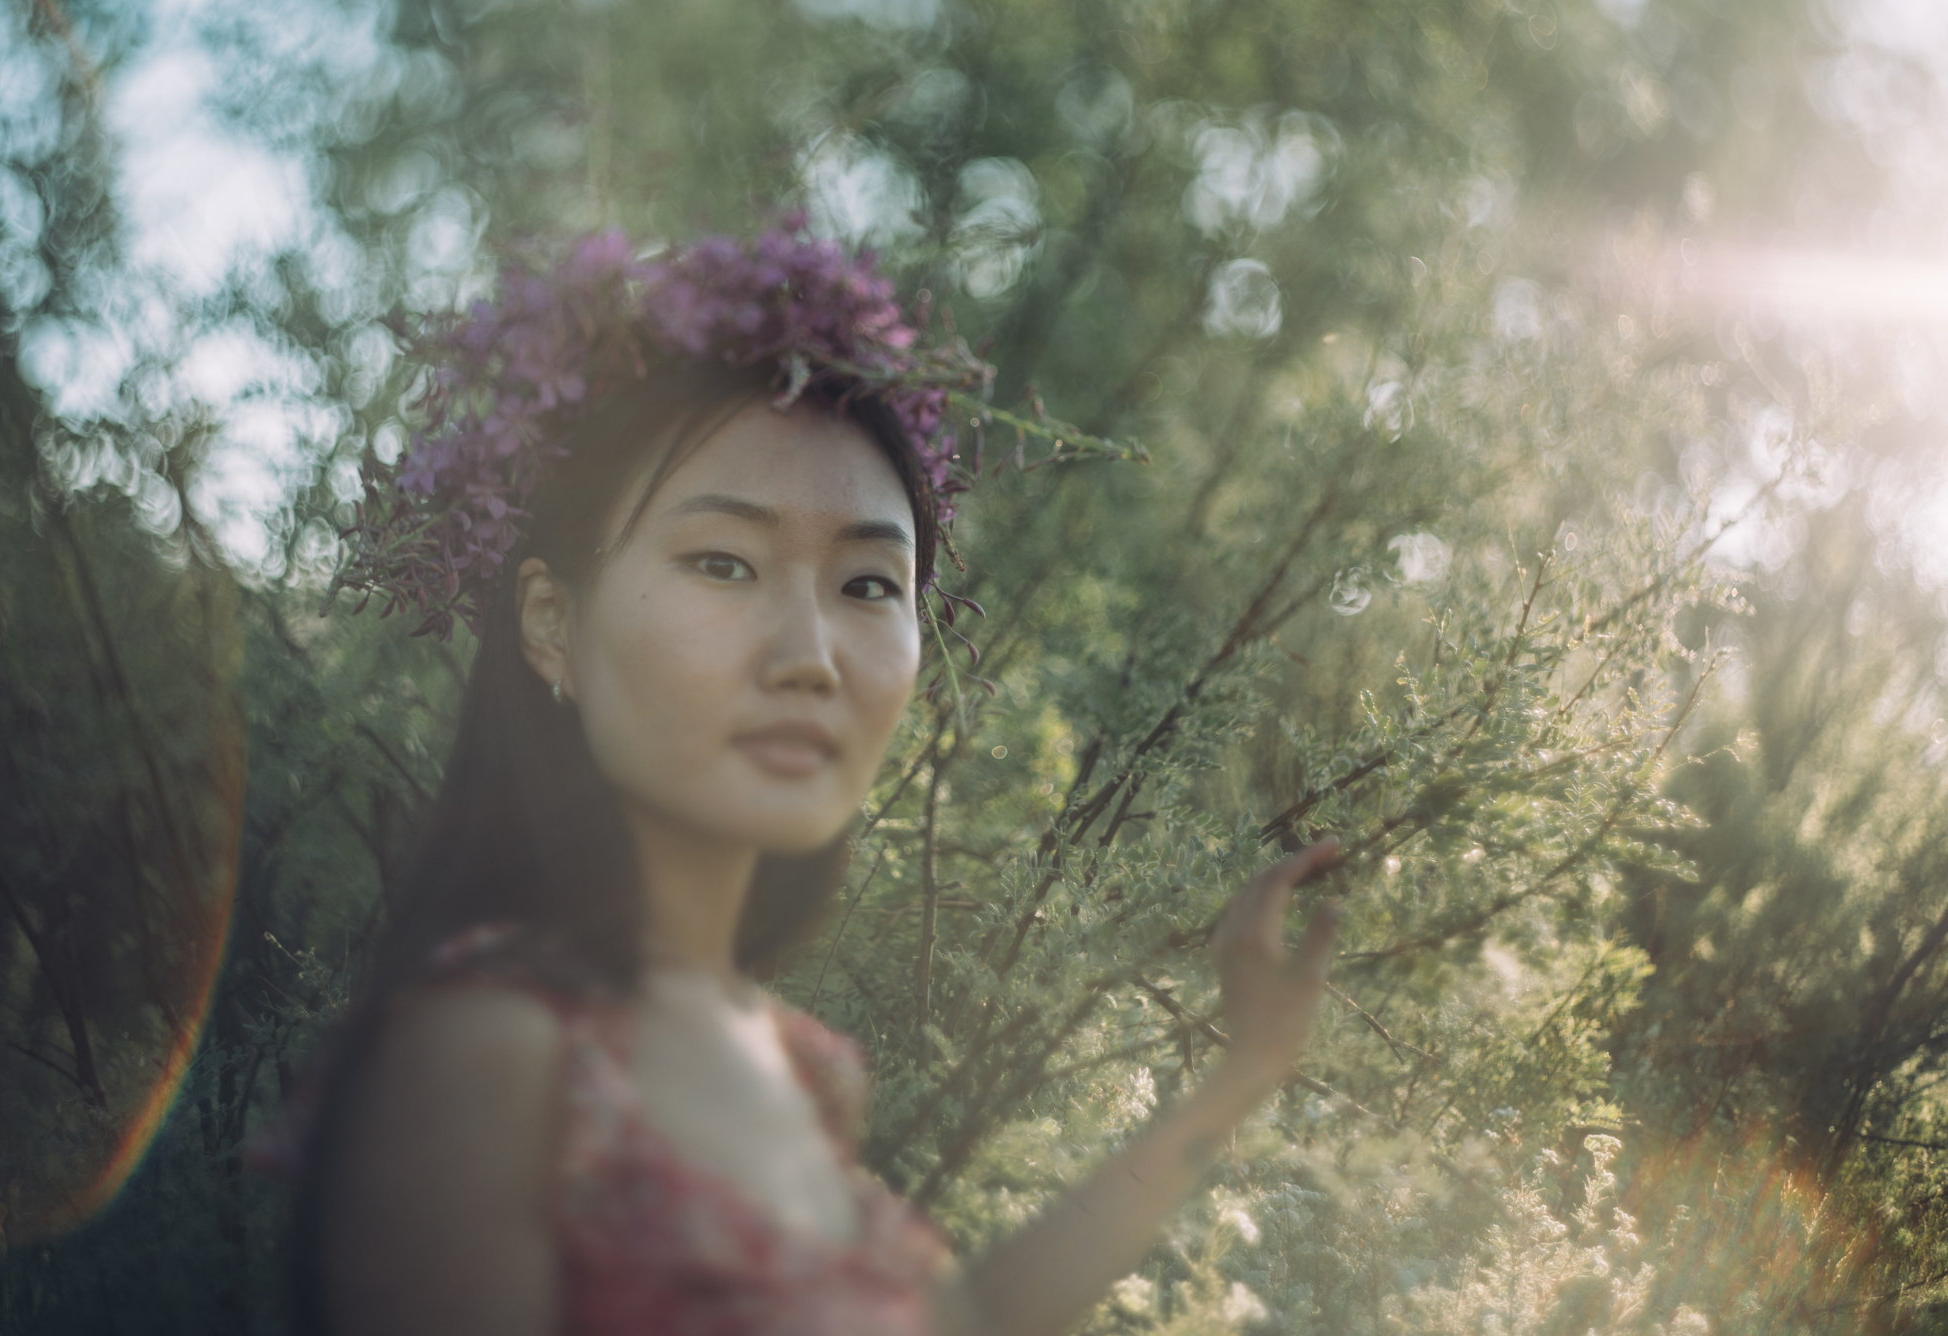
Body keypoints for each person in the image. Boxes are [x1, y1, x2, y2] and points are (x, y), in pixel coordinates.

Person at [267, 222, 1344, 1336]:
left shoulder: (792, 1061)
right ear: (551, 622)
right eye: (723, 564)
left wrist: (1241, 1071)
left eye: (869, 585)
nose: (808, 653)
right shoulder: (485, 1058)